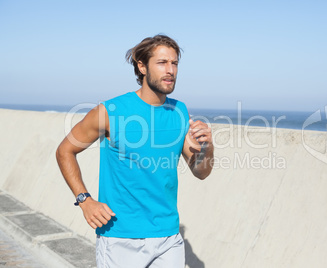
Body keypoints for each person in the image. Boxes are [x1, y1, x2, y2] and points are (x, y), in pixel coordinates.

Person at [56, 34, 214, 267]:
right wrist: (84, 200)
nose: (170, 70)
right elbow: (65, 151)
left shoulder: (180, 111)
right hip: (120, 237)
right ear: (142, 67)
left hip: (168, 236)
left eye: (174, 63)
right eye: (162, 63)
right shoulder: (110, 111)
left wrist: (208, 147)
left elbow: (201, 171)